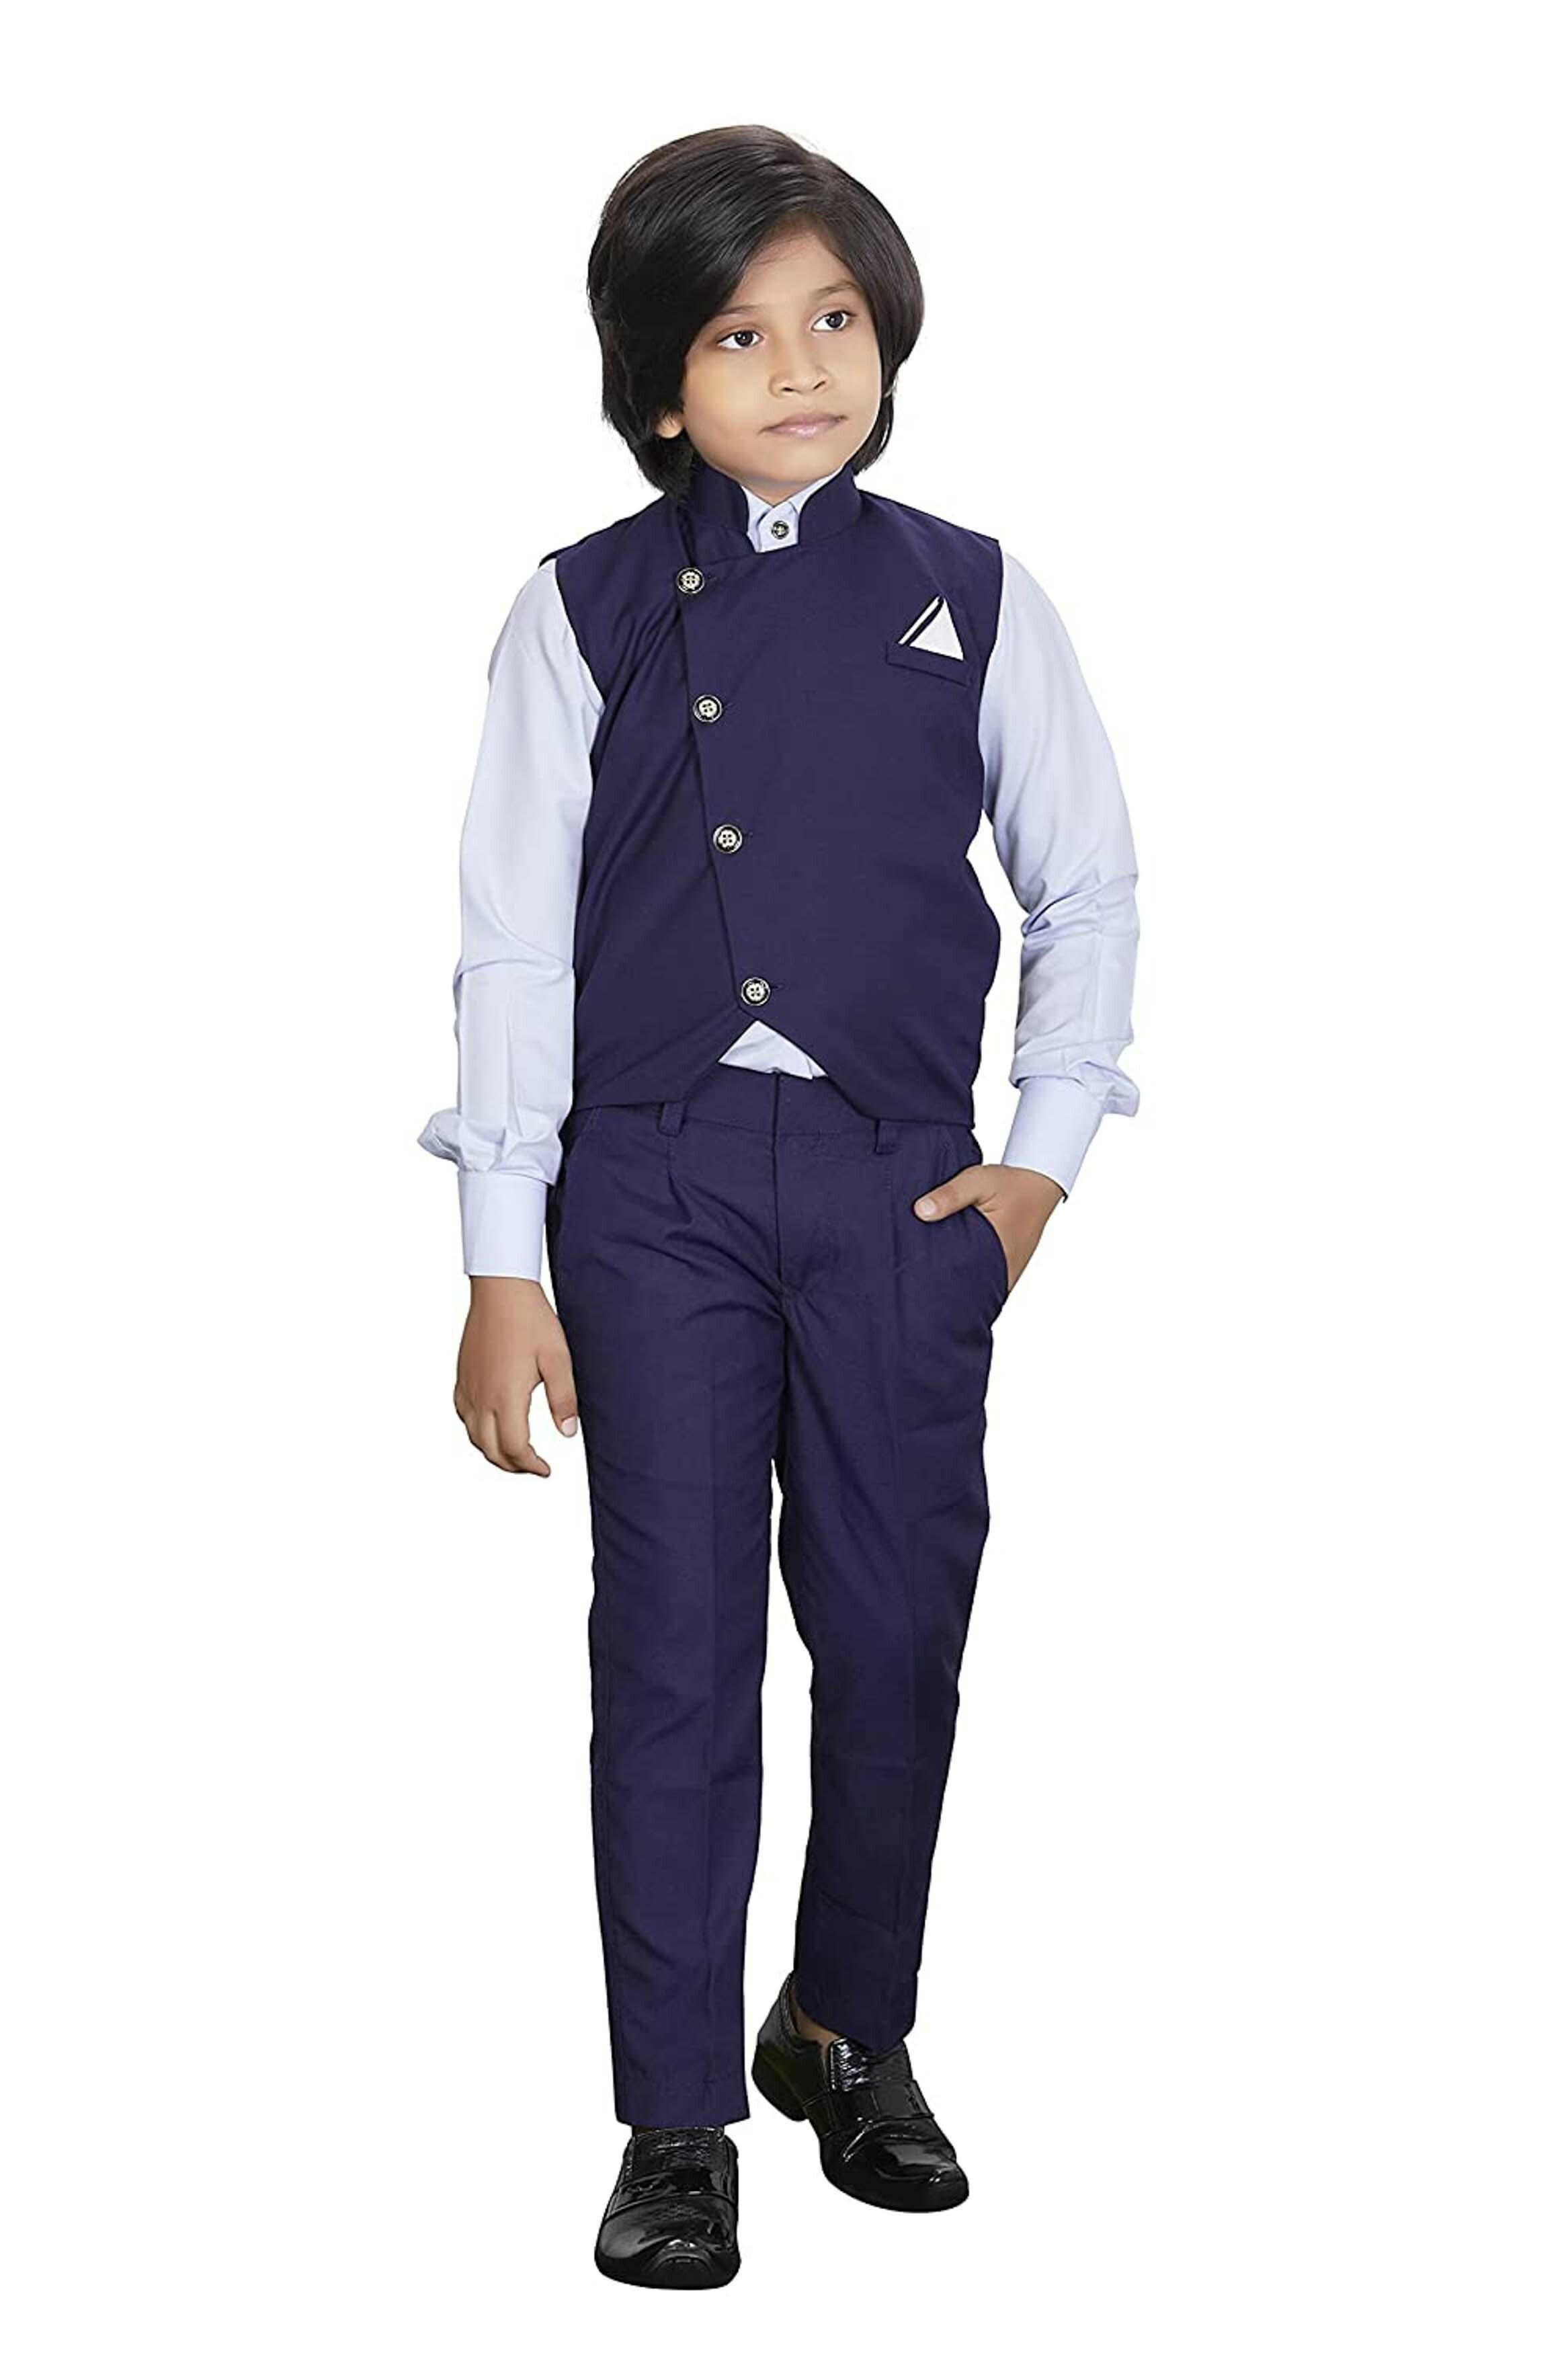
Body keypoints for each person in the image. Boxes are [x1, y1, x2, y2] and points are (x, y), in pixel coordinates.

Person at [418, 122, 1141, 2290]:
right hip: (645, 1190)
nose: (803, 364)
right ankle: (675, 2114)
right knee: (675, 1651)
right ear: (660, 385)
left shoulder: (975, 591)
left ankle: (844, 2023)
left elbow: (1089, 885)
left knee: (900, 1625)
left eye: (834, 318)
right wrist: (502, 1259)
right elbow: (511, 945)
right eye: (740, 335)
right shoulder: (577, 612)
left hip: (899, 1185)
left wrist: (1037, 1167)